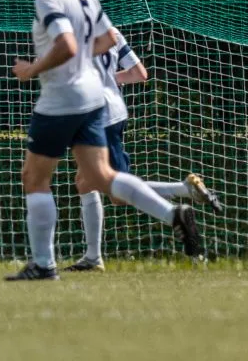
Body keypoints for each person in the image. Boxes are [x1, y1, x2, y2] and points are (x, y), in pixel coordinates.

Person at [7, 0, 201, 281]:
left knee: (34, 178)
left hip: (61, 99)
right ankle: (174, 213)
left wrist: (32, 69)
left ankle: (43, 264)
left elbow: (66, 45)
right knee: (100, 178)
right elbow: (110, 39)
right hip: (94, 98)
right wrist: (82, 56)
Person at [66, 26, 223, 272]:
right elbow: (140, 74)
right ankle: (92, 257)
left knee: (115, 192)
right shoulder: (111, 31)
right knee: (85, 182)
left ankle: (181, 197)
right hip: (114, 112)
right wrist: (111, 79)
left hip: (97, 116)